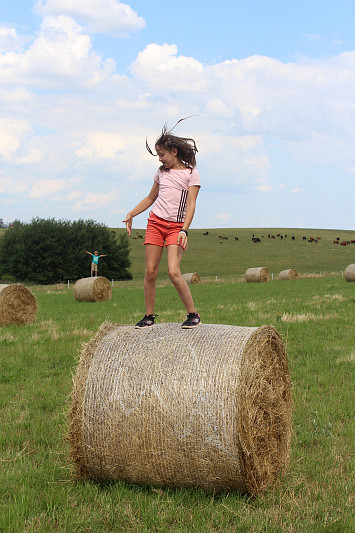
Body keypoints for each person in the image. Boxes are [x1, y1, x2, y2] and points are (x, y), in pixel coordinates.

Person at [123, 120, 201, 329]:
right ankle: (149, 316)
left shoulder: (190, 173)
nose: (160, 159)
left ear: (174, 152)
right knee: (150, 272)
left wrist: (185, 230)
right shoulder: (161, 173)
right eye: (158, 156)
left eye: (162, 155)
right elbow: (150, 199)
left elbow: (191, 204)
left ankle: (193, 314)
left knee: (174, 272)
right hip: (155, 223)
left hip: (176, 227)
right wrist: (132, 213)